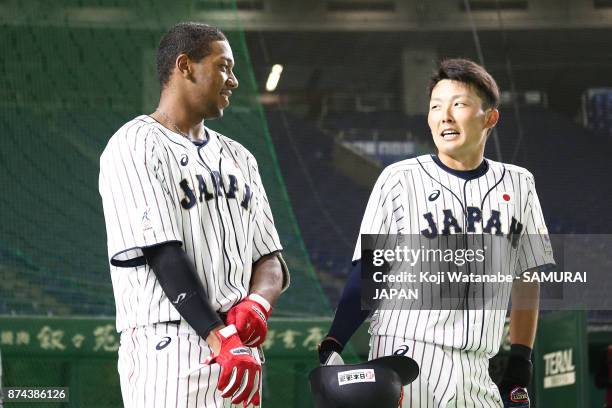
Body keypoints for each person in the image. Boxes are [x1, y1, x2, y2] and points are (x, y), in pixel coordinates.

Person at [318, 58, 554, 408]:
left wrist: (521, 360)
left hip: (478, 366)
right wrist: (335, 340)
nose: (445, 115)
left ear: (489, 117)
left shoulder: (520, 184)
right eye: (435, 106)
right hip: (406, 355)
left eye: (458, 104)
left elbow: (528, 276)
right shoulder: (399, 178)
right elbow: (371, 271)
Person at [99, 22, 289, 407]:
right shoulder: (135, 143)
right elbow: (162, 254)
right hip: (170, 348)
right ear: (185, 66)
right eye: (224, 66)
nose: (233, 80)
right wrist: (220, 335)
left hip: (241, 354)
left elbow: (272, 260)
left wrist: (258, 304)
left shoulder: (241, 158)